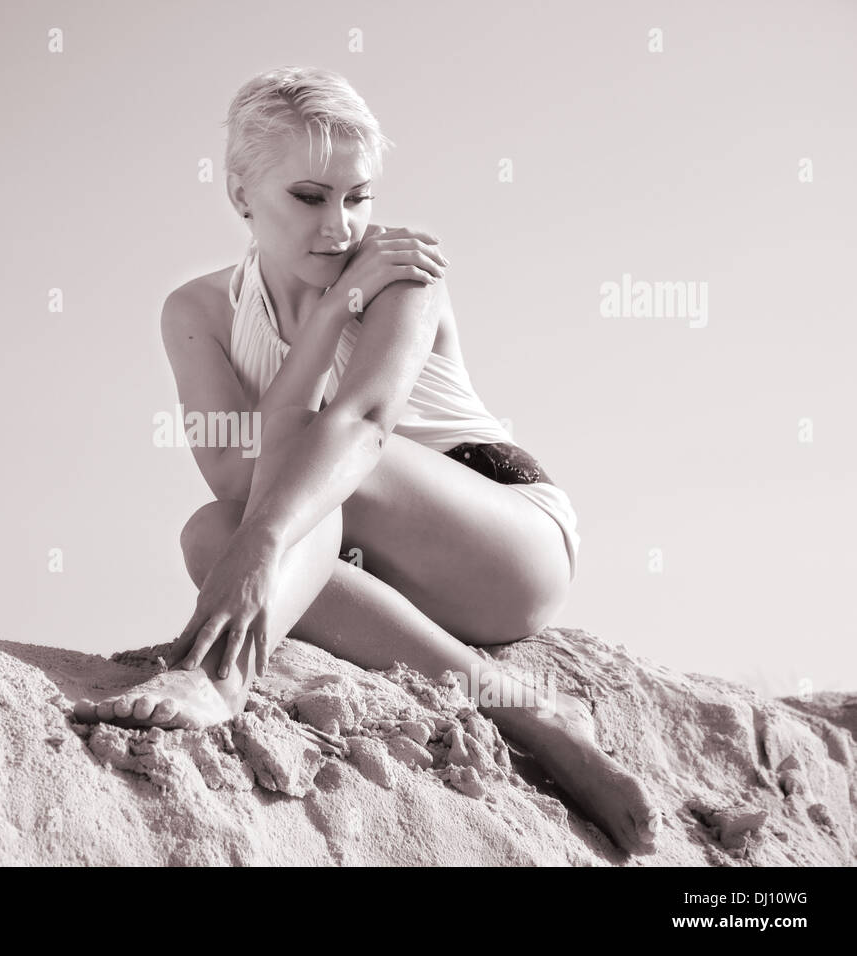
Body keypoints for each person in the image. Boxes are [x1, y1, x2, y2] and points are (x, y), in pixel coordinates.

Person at [73, 66, 660, 855]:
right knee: (210, 536)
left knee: (321, 473)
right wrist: (324, 323)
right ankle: (521, 707)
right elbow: (233, 477)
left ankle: (220, 679)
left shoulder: (401, 272)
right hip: (354, 550)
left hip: (502, 533)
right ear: (241, 194)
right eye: (310, 197)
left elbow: (365, 425)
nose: (342, 227)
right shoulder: (200, 311)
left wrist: (267, 533)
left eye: (360, 196)